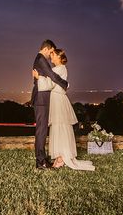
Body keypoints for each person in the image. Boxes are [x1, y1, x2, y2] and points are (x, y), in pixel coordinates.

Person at [34, 49, 95, 171]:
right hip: (59, 99)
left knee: (59, 127)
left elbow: (49, 84)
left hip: (57, 100)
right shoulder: (62, 68)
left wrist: (38, 77)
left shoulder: (58, 69)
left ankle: (61, 158)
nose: (51, 56)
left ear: (59, 57)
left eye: (53, 54)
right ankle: (61, 156)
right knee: (61, 127)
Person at [31, 39, 69, 169]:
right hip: (41, 100)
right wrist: (65, 84)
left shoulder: (40, 59)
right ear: (46, 49)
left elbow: (48, 77)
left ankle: (42, 158)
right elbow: (52, 76)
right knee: (41, 130)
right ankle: (40, 161)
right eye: (51, 52)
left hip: (43, 98)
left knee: (42, 130)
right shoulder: (41, 59)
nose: (51, 55)